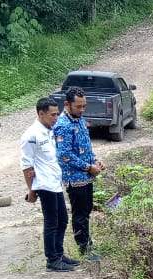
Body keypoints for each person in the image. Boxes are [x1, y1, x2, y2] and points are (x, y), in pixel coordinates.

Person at [20, 97, 78, 272]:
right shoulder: (31, 135)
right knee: (52, 221)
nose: (56, 118)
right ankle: (52, 260)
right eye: (52, 115)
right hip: (44, 185)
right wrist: (31, 190)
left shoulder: (49, 131)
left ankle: (59, 254)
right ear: (41, 113)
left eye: (57, 114)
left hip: (54, 182)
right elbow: (27, 166)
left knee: (62, 219)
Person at [54, 86, 104, 261]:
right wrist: (88, 167)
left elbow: (85, 146)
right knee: (80, 214)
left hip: (86, 176)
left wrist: (95, 161)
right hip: (75, 179)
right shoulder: (63, 125)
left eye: (84, 106)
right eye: (78, 106)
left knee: (87, 210)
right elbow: (64, 155)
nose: (82, 110)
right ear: (67, 104)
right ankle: (84, 249)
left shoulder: (80, 120)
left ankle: (87, 243)